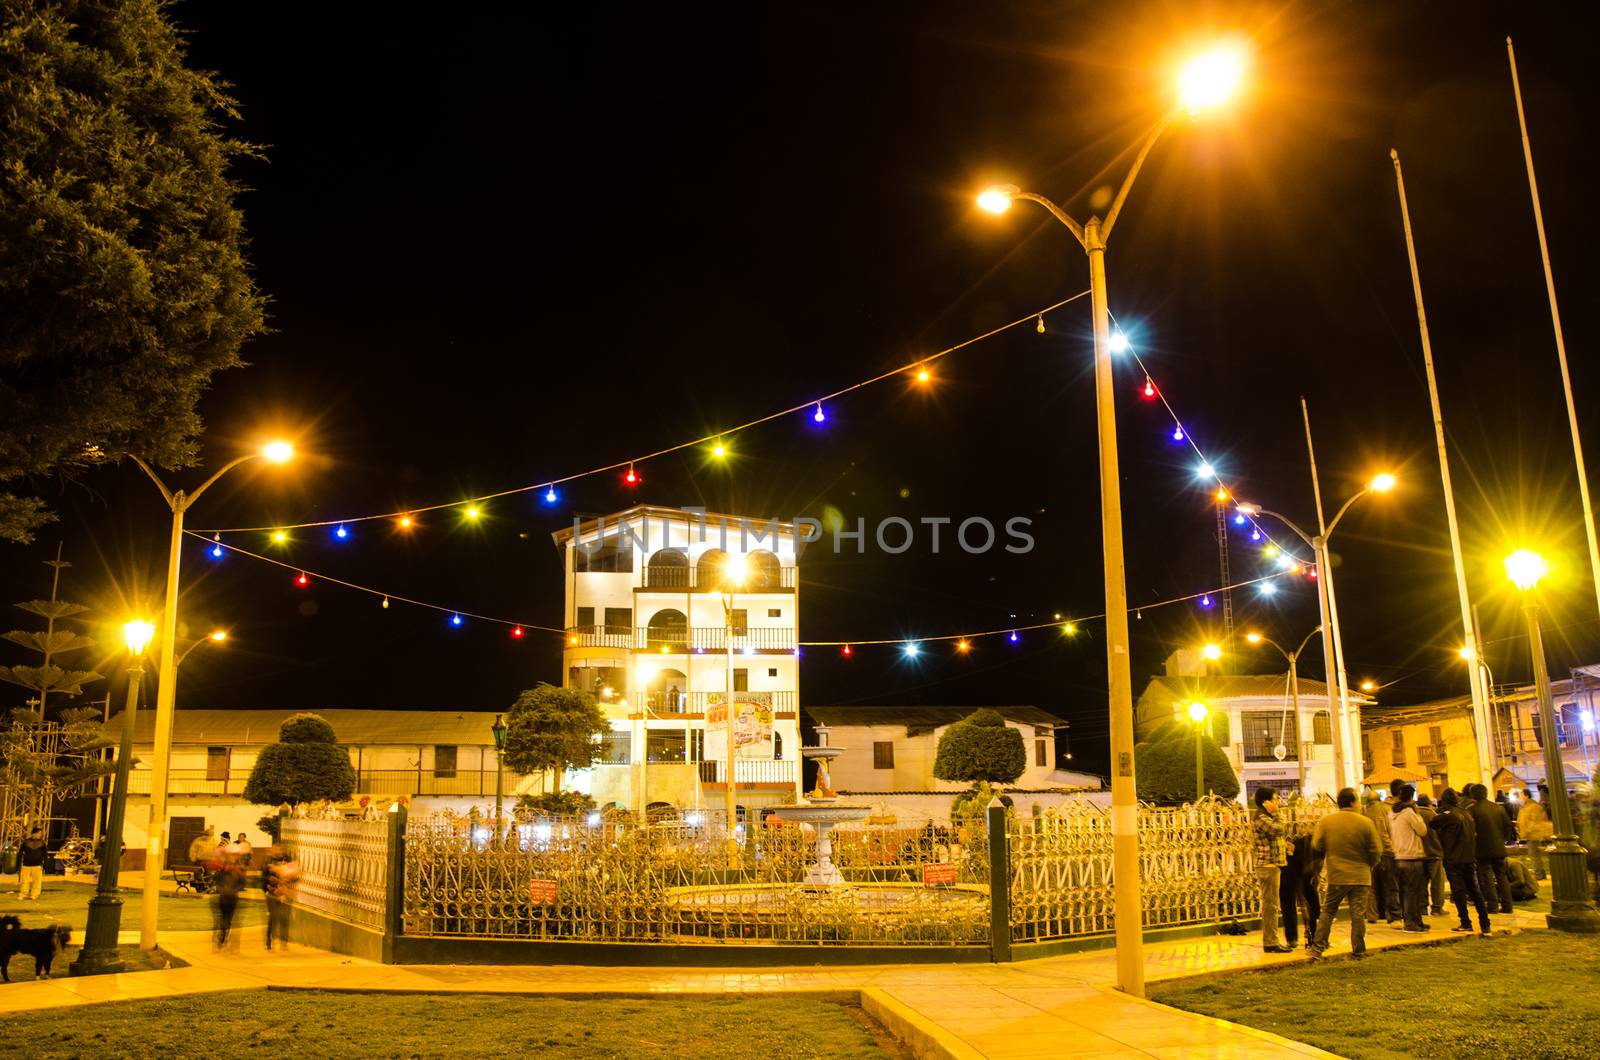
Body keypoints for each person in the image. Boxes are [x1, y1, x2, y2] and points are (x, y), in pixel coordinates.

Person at [1309, 787, 1382, 959]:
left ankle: (1317, 948)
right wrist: (1369, 864)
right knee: (1357, 914)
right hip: (1361, 875)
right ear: (1352, 802)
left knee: (1328, 911)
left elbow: (1317, 845)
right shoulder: (1365, 823)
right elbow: (1376, 850)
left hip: (1337, 875)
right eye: (1357, 800)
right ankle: (1358, 950)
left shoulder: (1326, 822)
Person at [1429, 787, 1491, 935]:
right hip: (1469, 857)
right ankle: (1485, 923)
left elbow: (1433, 822)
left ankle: (1465, 922)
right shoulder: (1467, 813)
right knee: (1475, 891)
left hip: (1454, 858)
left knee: (1458, 892)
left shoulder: (1448, 814)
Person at [1252, 787, 1292, 953]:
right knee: (1271, 906)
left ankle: (1272, 941)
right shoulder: (1261, 817)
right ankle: (1270, 942)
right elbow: (1278, 830)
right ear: (1266, 802)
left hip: (1273, 865)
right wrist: (1277, 814)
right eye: (1275, 799)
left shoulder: (1265, 817)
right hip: (1267, 866)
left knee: (1272, 905)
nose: (1278, 803)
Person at [1468, 782, 1514, 914]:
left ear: (1473, 795)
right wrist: (1502, 839)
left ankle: (1492, 905)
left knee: (1486, 876)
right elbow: (1508, 826)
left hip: (1482, 848)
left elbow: (1471, 830)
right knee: (1501, 876)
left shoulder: (1473, 810)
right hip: (1499, 847)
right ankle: (1507, 905)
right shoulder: (1498, 808)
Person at [1389, 784, 1429, 932]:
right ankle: (1412, 922)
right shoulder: (1409, 813)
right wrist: (1417, 813)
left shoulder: (1391, 813)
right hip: (1412, 856)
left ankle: (1413, 920)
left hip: (1399, 855)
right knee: (1414, 892)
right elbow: (1423, 831)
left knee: (1405, 891)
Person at [1280, 832, 1323, 951]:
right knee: (1300, 900)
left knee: (1294, 901)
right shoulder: (1316, 844)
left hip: (1293, 867)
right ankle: (1311, 935)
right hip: (1291, 868)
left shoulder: (1314, 842)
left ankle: (1297, 937)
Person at [1362, 789, 1399, 923]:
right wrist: (1391, 849)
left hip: (1369, 854)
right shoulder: (1385, 810)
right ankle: (1392, 916)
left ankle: (1372, 915)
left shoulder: (1364, 812)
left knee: (1371, 886)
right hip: (1385, 852)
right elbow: (1386, 832)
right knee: (1389, 885)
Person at [263, 847, 302, 951]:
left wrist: (287, 885)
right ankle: (269, 940)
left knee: (285, 919)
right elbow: (265, 879)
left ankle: (283, 942)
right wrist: (274, 886)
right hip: (272, 895)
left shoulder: (289, 867)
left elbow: (295, 879)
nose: (283, 863)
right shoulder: (269, 865)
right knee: (273, 918)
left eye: (285, 861)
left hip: (286, 895)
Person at [1416, 793, 1448, 916]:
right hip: (1434, 852)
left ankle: (1422, 907)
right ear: (1429, 803)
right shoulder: (1433, 815)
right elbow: (1441, 834)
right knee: (1437, 882)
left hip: (1419, 854)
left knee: (1421, 883)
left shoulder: (1415, 815)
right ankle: (1437, 907)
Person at [1518, 784, 1553, 881]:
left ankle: (1539, 875)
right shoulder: (1526, 807)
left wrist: (1528, 830)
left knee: (1534, 855)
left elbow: (1536, 821)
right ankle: (1541, 873)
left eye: (1521, 795)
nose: (1520, 797)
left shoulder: (1533, 807)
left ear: (1526, 795)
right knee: (1534, 855)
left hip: (1533, 834)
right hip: (1529, 834)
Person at [16, 828, 47, 900]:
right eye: (39, 833)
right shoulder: (26, 842)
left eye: (40, 833)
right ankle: (23, 894)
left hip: (37, 865)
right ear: (33, 834)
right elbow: (20, 854)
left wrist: (45, 865)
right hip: (26, 865)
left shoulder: (42, 843)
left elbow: (45, 854)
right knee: (24, 881)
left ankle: (34, 894)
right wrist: (18, 864)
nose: (40, 835)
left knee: (37, 882)